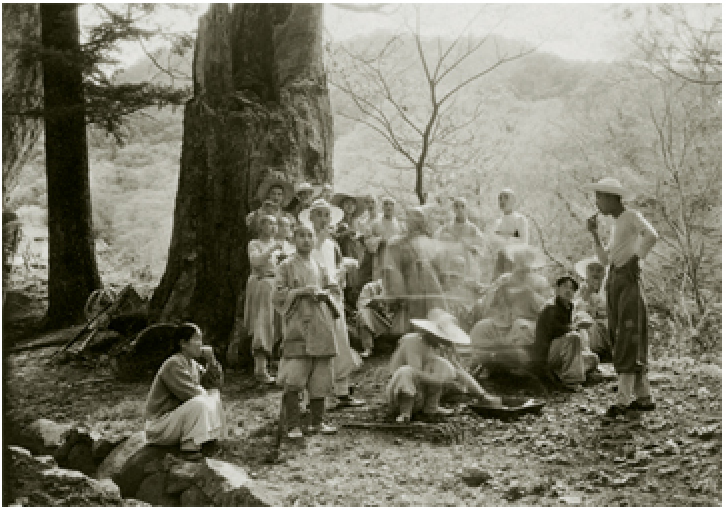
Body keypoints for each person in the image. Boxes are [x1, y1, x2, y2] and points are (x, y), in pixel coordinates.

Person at [585, 177, 658, 418]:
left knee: (629, 333)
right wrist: (595, 235)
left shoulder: (630, 217)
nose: (597, 202)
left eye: (600, 197)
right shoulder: (617, 225)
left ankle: (624, 400)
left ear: (611, 197)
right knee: (621, 334)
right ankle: (644, 396)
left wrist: (637, 258)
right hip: (616, 279)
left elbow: (651, 235)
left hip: (627, 279)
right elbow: (606, 260)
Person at [273, 224, 340, 437]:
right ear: (294, 239)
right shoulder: (285, 266)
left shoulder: (320, 266)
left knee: (320, 377)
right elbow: (278, 295)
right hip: (298, 324)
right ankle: (292, 425)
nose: (306, 240)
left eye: (310, 235)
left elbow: (333, 289)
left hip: (321, 323)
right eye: (301, 236)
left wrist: (325, 294)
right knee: (295, 377)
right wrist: (301, 291)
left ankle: (317, 422)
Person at [300, 199, 365, 408]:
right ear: (311, 218)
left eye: (326, 215)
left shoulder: (333, 244)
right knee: (318, 346)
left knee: (340, 342)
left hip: (334, 299)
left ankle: (342, 391)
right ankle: (314, 397)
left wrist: (342, 273)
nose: (323, 219)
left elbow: (336, 269)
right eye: (318, 214)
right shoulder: (306, 241)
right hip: (315, 300)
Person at [385, 309, 501, 423]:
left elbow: (458, 371)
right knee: (410, 371)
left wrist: (482, 395)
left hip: (423, 393)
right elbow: (414, 374)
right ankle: (405, 414)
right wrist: (439, 380)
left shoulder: (437, 347)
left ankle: (431, 408)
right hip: (402, 393)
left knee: (441, 366)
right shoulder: (412, 342)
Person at [144, 323, 225, 459]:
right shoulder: (173, 363)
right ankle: (189, 447)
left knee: (214, 394)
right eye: (197, 339)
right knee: (200, 402)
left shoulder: (192, 364)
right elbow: (191, 394)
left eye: (201, 340)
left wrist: (211, 361)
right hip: (158, 426)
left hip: (173, 423)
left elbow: (215, 385)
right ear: (183, 343)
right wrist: (207, 396)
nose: (201, 344)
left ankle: (209, 439)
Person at [469, 244, 550, 351]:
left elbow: (546, 308)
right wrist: (498, 289)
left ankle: (521, 363)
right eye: (519, 259)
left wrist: (529, 293)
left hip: (529, 322)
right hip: (503, 321)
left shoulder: (540, 281)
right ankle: (485, 360)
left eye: (525, 260)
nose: (522, 263)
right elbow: (488, 303)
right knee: (481, 327)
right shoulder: (505, 278)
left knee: (521, 327)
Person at [382, 206, 448, 336]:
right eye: (411, 218)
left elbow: (440, 266)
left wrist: (443, 280)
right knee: (414, 320)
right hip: (410, 286)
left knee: (435, 316)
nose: (415, 222)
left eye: (419, 218)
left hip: (431, 286)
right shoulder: (397, 242)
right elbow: (391, 268)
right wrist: (397, 292)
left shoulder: (430, 241)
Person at [533, 275, 600, 391]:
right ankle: (571, 381)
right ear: (557, 289)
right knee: (573, 337)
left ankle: (560, 372)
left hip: (561, 352)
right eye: (565, 287)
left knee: (593, 359)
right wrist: (576, 326)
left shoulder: (568, 306)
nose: (568, 290)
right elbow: (555, 331)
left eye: (572, 288)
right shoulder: (551, 307)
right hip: (547, 353)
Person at [243, 214, 284, 384]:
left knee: (278, 322)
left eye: (275, 224)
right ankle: (260, 368)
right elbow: (256, 262)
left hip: (276, 284)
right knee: (263, 322)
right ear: (261, 227)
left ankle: (274, 362)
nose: (273, 227)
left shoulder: (279, 245)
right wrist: (272, 250)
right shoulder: (255, 244)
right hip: (262, 285)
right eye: (269, 224)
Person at [435, 197, 486, 281]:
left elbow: (481, 246)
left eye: (462, 206)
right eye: (456, 206)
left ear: (467, 208)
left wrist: (473, 248)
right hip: (450, 265)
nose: (459, 209)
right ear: (453, 209)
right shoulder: (446, 228)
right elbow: (437, 244)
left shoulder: (472, 228)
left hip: (468, 265)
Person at [574, 256, 611, 361]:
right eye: (592, 270)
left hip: (606, 324)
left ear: (604, 273)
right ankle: (587, 353)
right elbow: (576, 308)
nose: (595, 273)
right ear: (586, 273)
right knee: (583, 320)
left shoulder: (608, 289)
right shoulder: (581, 289)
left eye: (599, 270)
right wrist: (588, 292)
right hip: (588, 325)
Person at [492, 188, 530, 279]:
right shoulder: (497, 222)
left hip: (516, 260)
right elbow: (494, 244)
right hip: (500, 261)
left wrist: (505, 239)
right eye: (500, 198)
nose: (502, 201)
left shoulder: (520, 219)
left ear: (513, 201)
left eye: (506, 197)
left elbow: (524, 242)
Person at [366, 197, 404, 280]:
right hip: (381, 258)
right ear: (382, 207)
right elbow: (368, 241)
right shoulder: (375, 223)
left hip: (395, 259)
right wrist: (379, 240)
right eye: (386, 204)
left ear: (394, 207)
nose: (388, 207)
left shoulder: (400, 225)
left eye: (391, 204)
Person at [356, 277, 393, 358]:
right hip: (375, 316)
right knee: (363, 315)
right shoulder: (369, 287)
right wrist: (377, 301)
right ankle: (368, 348)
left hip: (393, 317)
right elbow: (362, 303)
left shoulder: (397, 286)